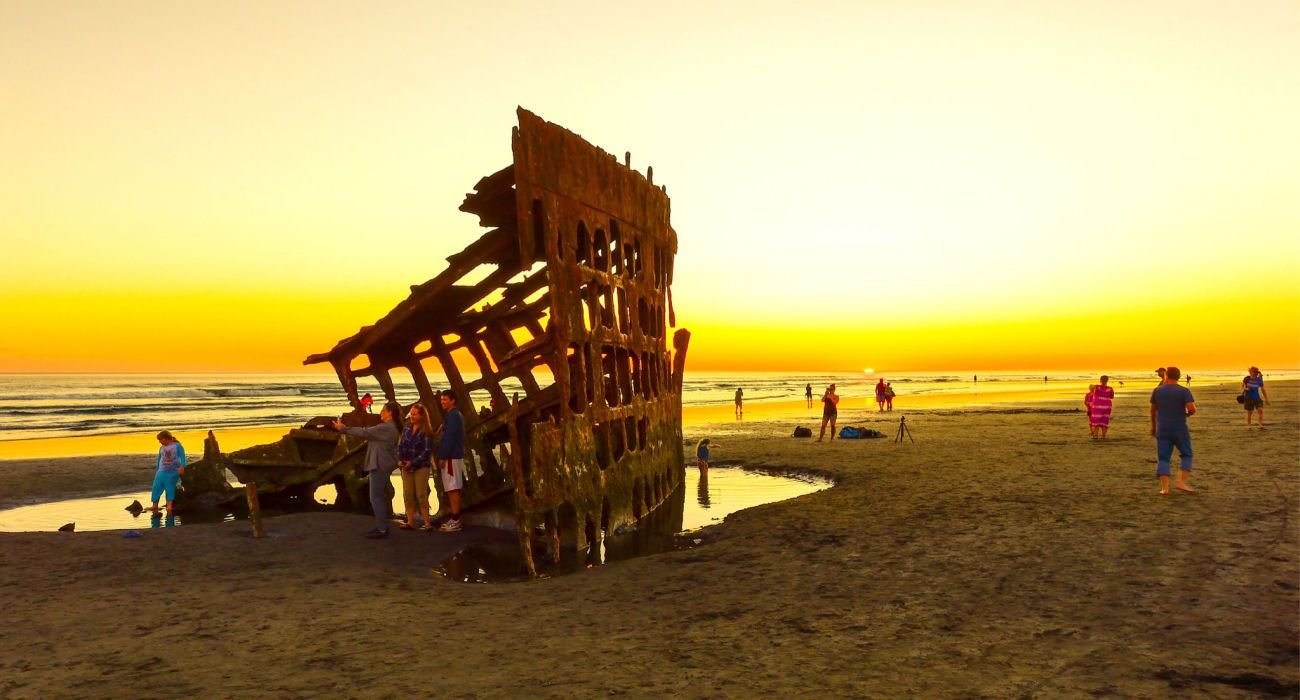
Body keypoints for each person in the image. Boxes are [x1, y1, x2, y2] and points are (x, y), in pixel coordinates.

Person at [333, 401, 401, 539]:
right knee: (377, 497)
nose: (381, 412)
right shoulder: (392, 427)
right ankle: (381, 526)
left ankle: (382, 529)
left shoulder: (386, 428)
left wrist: (344, 428)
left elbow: (364, 432)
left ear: (390, 413)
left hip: (379, 465)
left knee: (375, 498)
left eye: (383, 410)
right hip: (382, 464)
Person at [1150, 366, 1196, 495]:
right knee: (1187, 454)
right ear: (1178, 377)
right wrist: (1186, 414)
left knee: (1163, 458)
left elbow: (1152, 411)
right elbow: (1191, 408)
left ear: (1166, 376)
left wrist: (1153, 426)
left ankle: (1165, 488)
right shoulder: (1183, 391)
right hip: (1179, 427)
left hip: (1163, 427)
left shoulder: (1157, 391)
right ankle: (1181, 482)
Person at [397, 402, 436, 531]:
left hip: (421, 467)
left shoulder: (426, 431)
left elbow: (426, 452)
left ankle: (427, 523)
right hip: (406, 466)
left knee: (421, 495)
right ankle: (410, 522)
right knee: (408, 494)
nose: (412, 416)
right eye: (411, 414)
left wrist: (412, 463)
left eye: (414, 414)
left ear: (421, 416)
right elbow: (401, 446)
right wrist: (401, 461)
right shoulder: (407, 429)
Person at [436, 390, 466, 532]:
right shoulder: (453, 416)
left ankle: (456, 519)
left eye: (445, 399)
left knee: (452, 488)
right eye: (442, 400)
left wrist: (443, 456)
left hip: (451, 457)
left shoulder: (453, 416)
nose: (443, 402)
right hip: (452, 456)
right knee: (451, 487)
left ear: (453, 400)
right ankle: (455, 518)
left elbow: (449, 439)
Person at [149, 430, 187, 516]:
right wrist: (157, 470)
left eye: (161, 440)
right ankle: (155, 505)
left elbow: (183, 457)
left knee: (169, 488)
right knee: (156, 487)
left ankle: (169, 506)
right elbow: (159, 459)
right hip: (162, 471)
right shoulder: (161, 448)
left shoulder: (177, 446)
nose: (159, 442)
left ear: (166, 438)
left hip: (173, 471)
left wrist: (182, 466)